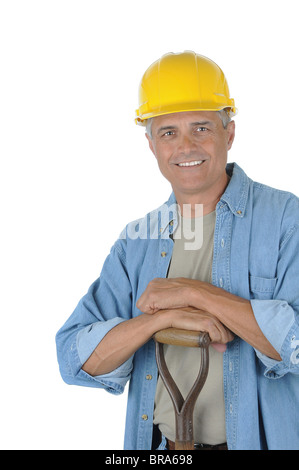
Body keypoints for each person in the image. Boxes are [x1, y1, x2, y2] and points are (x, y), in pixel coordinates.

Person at [56, 51, 299, 450]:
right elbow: (74, 358)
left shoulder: (286, 219)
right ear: (151, 144)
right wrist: (159, 320)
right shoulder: (137, 240)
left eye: (201, 127)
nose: (186, 146)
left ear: (230, 133)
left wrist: (193, 293)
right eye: (168, 132)